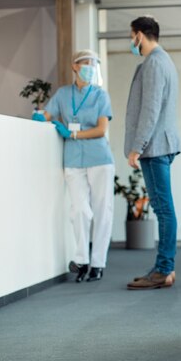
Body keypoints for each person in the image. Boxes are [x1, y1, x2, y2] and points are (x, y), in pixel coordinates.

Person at [39, 49, 115, 283]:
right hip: (72, 160)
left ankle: (98, 263)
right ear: (74, 66)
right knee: (79, 209)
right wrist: (39, 118)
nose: (90, 67)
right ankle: (81, 259)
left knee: (103, 211)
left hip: (99, 158)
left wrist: (73, 135)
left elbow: (102, 129)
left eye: (93, 64)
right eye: (85, 63)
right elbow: (47, 115)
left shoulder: (100, 95)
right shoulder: (63, 95)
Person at [124, 16, 181, 290]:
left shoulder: (155, 63)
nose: (130, 41)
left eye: (131, 36)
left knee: (163, 208)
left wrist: (137, 146)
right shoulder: (162, 60)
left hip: (155, 146)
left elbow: (150, 109)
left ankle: (163, 269)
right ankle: (165, 269)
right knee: (163, 207)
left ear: (140, 36)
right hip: (160, 144)